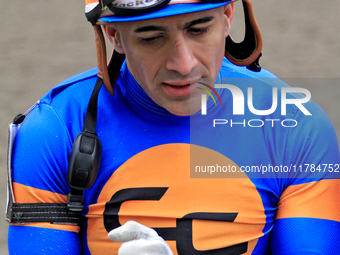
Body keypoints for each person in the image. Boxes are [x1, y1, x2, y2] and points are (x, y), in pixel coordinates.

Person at [6, 0, 340, 254]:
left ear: (228, 17)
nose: (184, 65)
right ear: (113, 35)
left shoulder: (297, 126)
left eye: (198, 29)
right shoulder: (54, 129)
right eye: (152, 38)